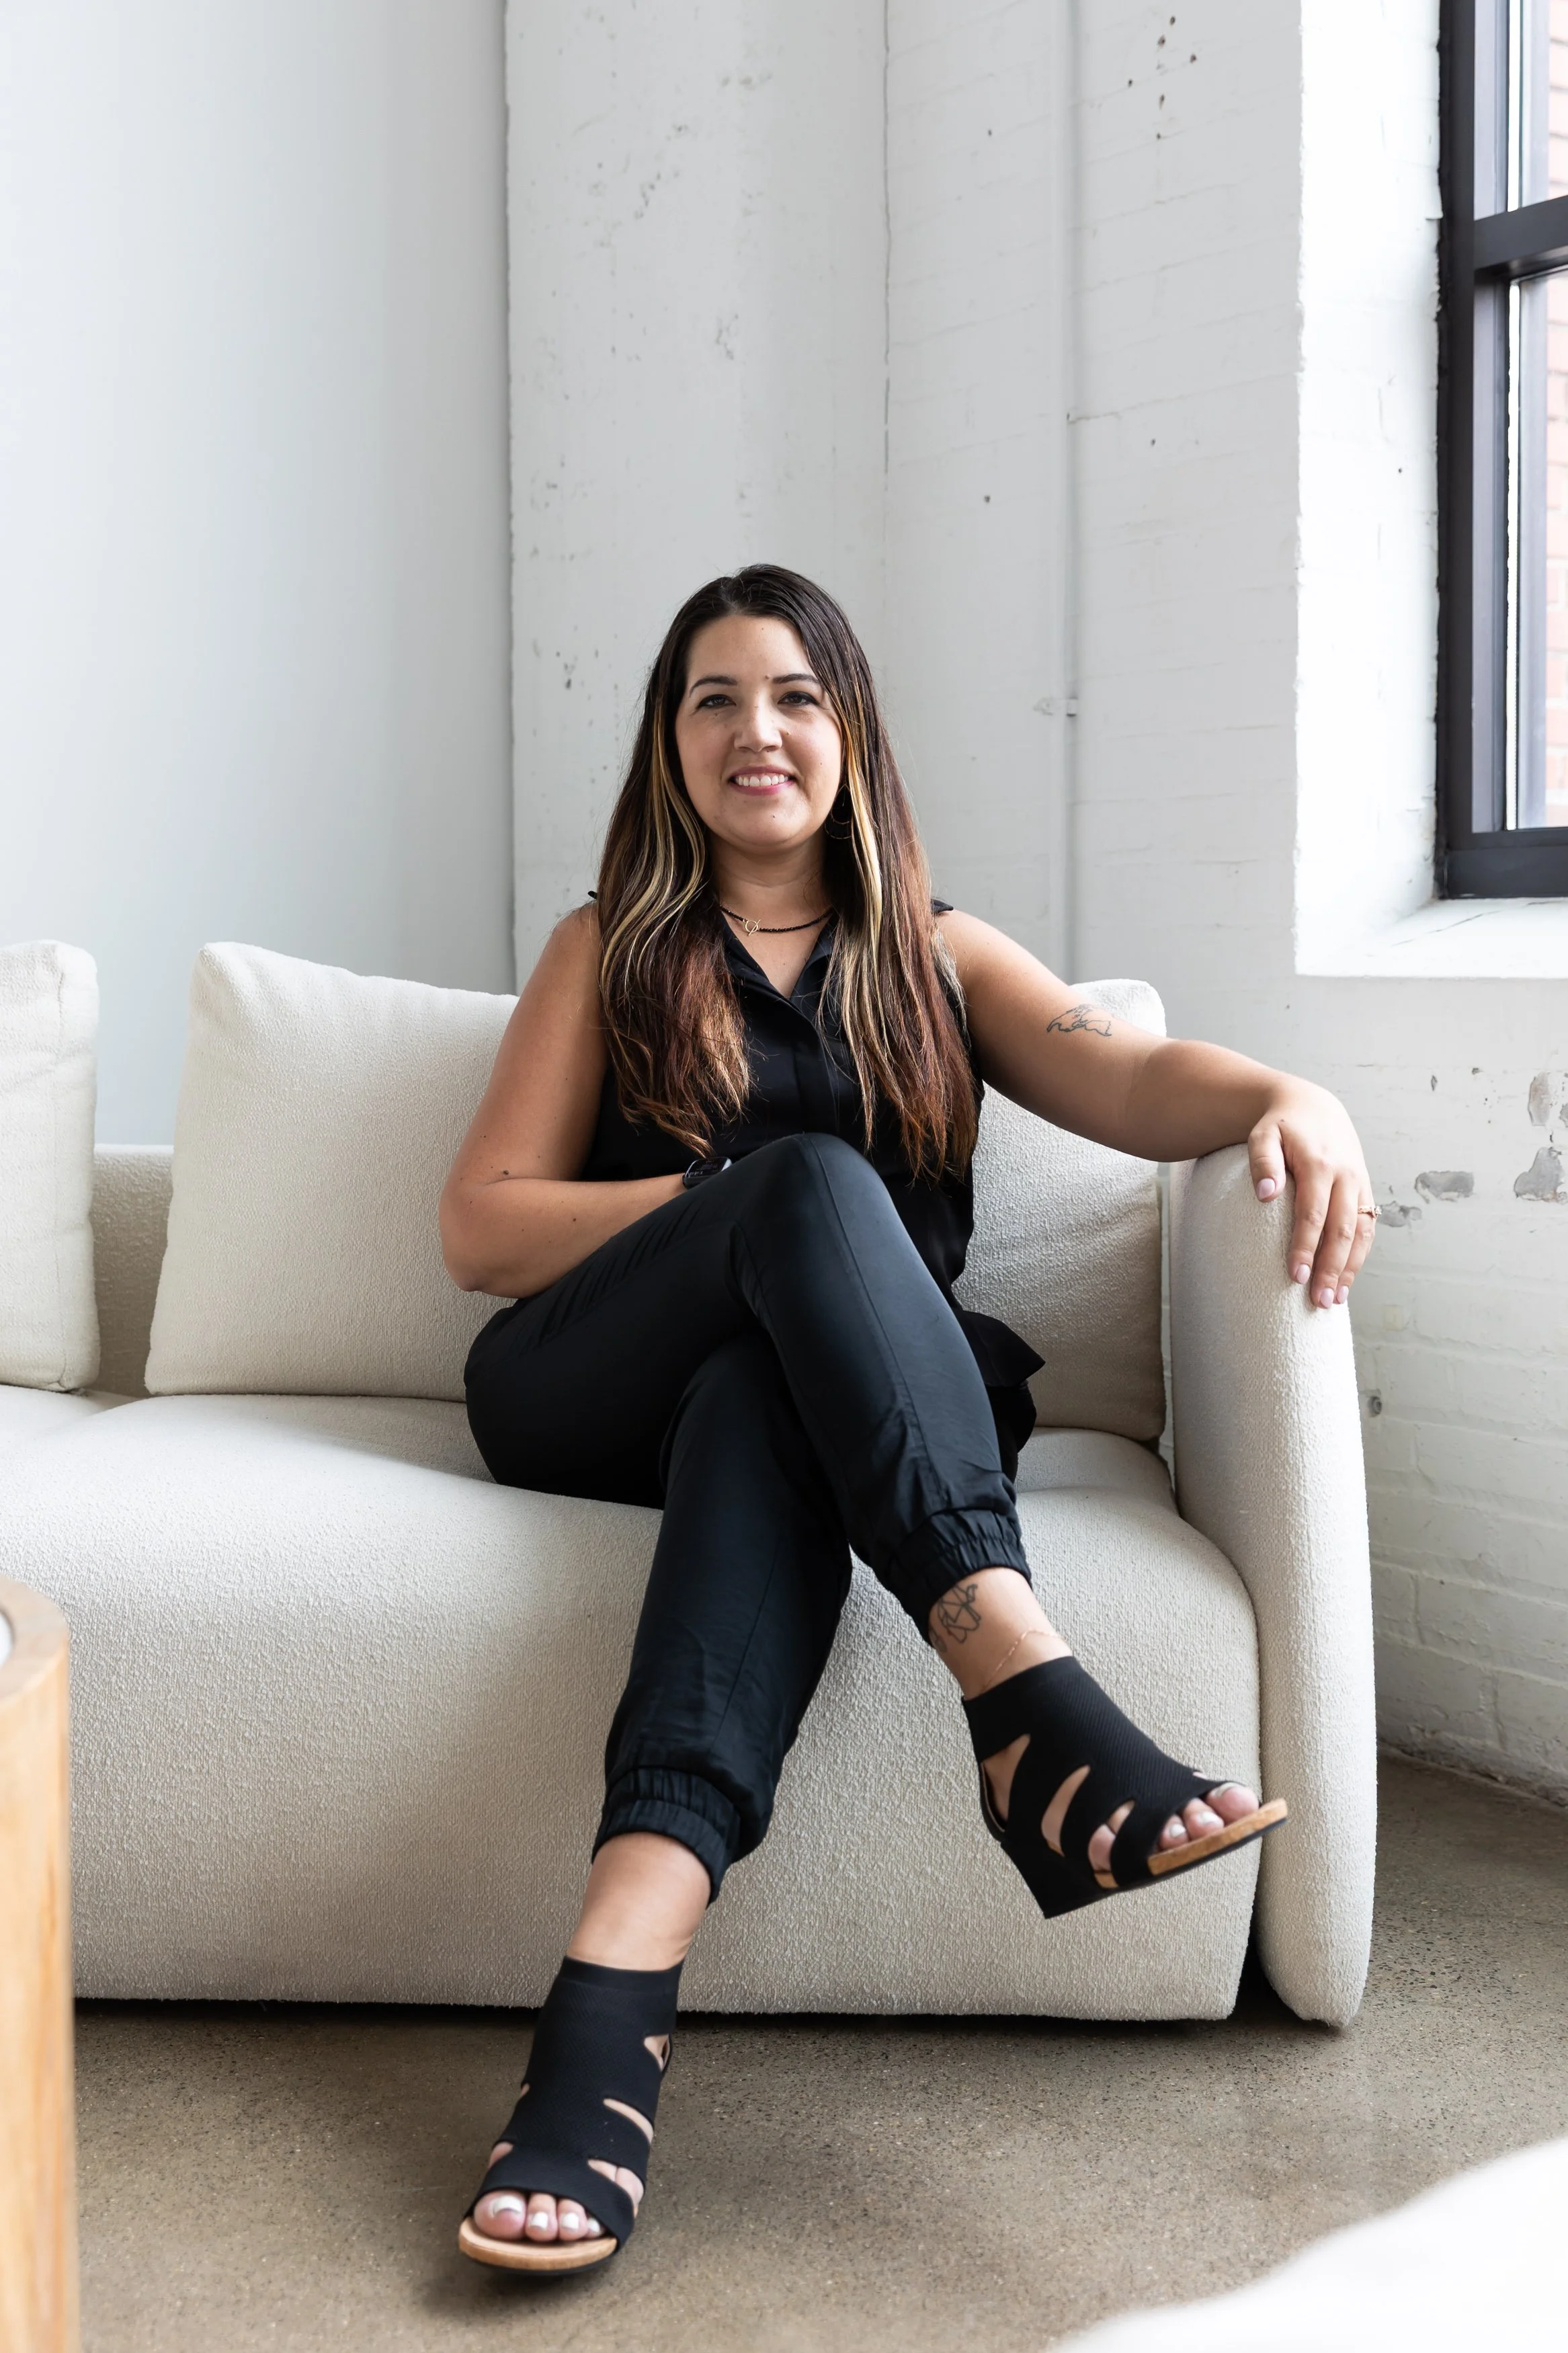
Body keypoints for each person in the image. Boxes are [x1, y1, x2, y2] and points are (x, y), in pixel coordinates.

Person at [439, 565, 1376, 2274]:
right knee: (801, 1190)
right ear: (667, 744)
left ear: (849, 730)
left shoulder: (933, 953)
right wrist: (732, 1207)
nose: (757, 730)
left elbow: (1122, 1075)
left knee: (767, 1399)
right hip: (587, 1387)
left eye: (794, 695)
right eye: (713, 699)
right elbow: (483, 1228)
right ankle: (1026, 1699)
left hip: (837, 1417)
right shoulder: (609, 948)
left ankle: (607, 2008)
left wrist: (1285, 1091)